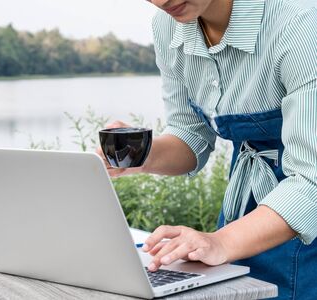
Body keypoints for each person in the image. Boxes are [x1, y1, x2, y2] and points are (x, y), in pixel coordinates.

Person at [97, 0, 317, 299]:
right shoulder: (168, 27)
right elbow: (190, 135)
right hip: (245, 214)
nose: (161, 2)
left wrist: (222, 243)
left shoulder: (301, 23)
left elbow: (311, 181)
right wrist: (140, 155)